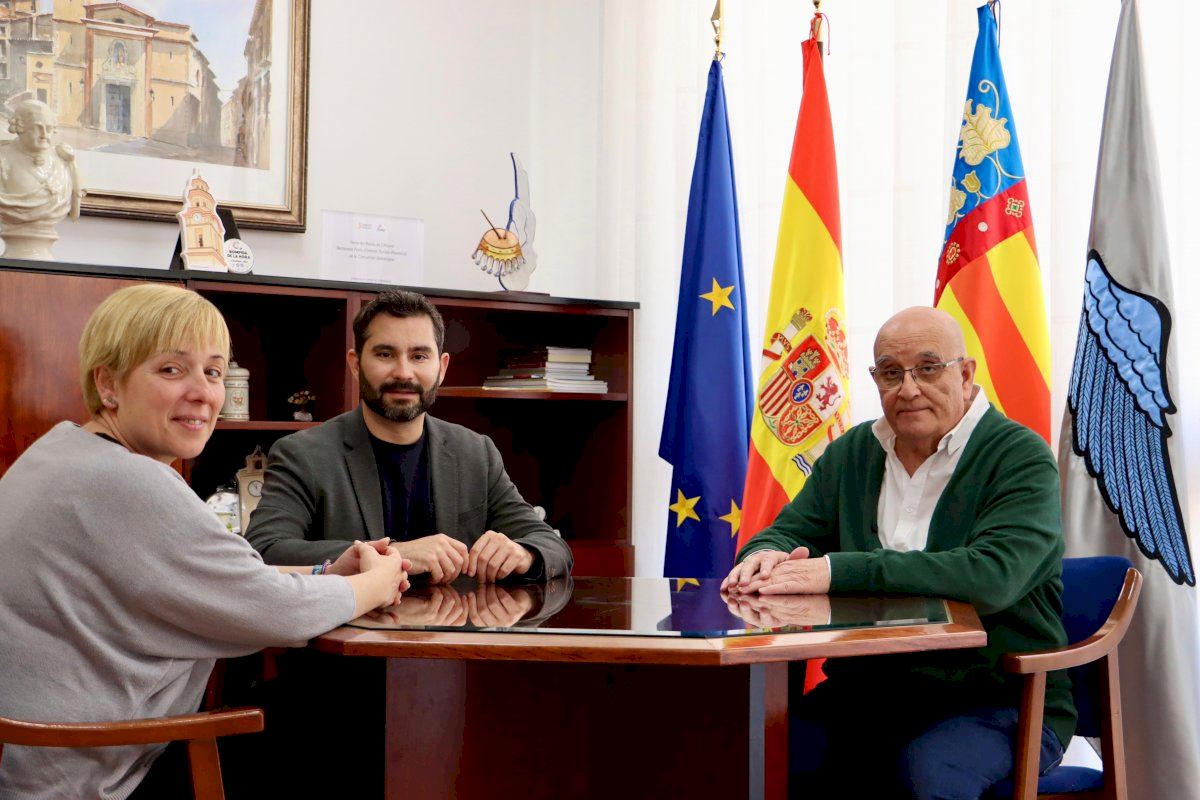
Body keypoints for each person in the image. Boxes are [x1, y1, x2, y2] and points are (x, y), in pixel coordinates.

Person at [0, 284, 410, 800]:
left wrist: (327, 573)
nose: (203, 393)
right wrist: (380, 581)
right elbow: (273, 613)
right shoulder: (130, 482)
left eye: (214, 372)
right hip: (90, 777)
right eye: (172, 369)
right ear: (108, 383)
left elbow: (223, 584)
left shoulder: (62, 451)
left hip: (29, 761)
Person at [722, 306, 1075, 800]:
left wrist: (833, 572)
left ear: (966, 373)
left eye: (928, 368)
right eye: (890, 373)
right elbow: (788, 533)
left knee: (928, 772)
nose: (908, 388)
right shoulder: (852, 453)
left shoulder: (1019, 457)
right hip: (870, 694)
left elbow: (992, 577)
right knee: (752, 754)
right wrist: (763, 554)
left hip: (1002, 698)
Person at [246, 289, 573, 583]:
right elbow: (265, 550)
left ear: (442, 368)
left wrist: (524, 554)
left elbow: (550, 545)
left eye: (419, 356)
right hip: (352, 641)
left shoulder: (475, 452)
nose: (403, 372)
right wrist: (396, 554)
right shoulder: (303, 454)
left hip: (451, 642)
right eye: (385, 354)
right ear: (355, 364)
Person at [0, 99, 84, 259]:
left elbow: (74, 204)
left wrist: (71, 164)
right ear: (20, 127)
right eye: (38, 128)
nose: (45, 135)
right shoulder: (3, 159)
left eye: (50, 128)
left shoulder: (64, 162)